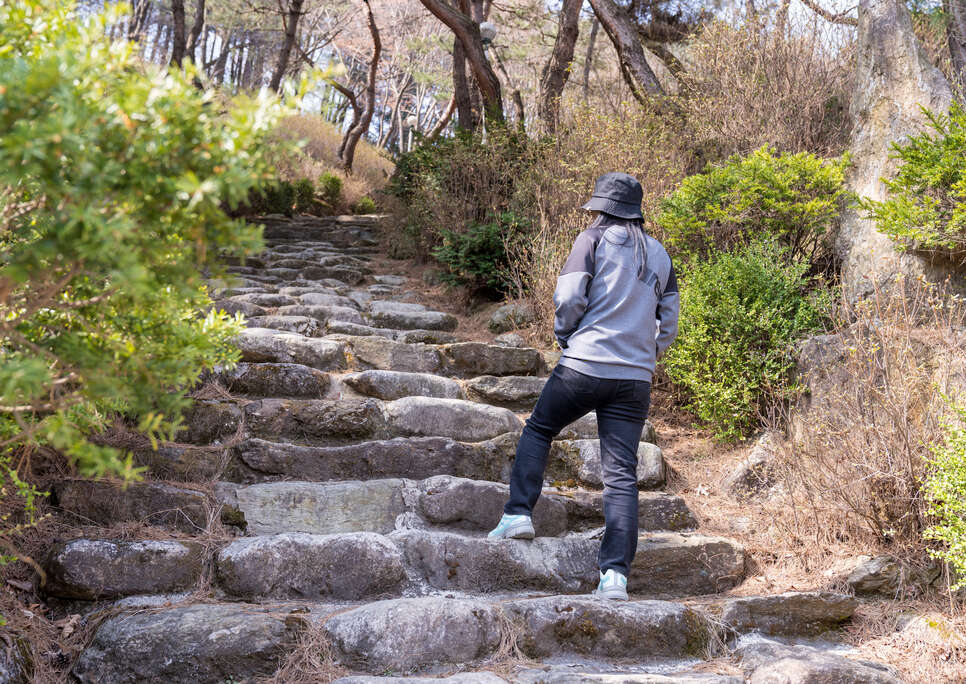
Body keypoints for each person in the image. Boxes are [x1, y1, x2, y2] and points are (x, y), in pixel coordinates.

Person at [488, 172, 680, 601]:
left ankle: (519, 513)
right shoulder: (661, 255)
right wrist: (647, 353)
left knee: (539, 429)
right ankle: (614, 577)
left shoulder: (590, 240)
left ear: (602, 207)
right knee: (620, 475)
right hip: (634, 380)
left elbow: (570, 297)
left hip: (584, 365)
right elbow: (670, 321)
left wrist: (564, 335)